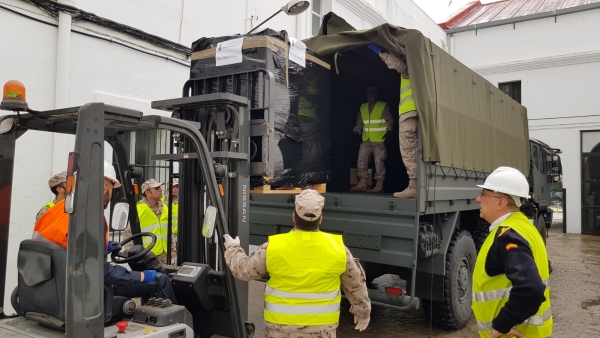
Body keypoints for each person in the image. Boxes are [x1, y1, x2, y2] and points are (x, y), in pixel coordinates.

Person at [223, 189, 371, 337]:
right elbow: (356, 285)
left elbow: (244, 270)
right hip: (321, 332)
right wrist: (363, 311)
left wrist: (232, 247)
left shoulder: (274, 247)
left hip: (280, 332)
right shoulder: (339, 249)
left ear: (294, 217)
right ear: (320, 219)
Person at [33, 160, 177, 303]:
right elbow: (102, 272)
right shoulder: (90, 216)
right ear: (104, 186)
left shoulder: (59, 211)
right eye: (112, 187)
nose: (112, 193)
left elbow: (70, 249)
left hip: (56, 288)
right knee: (160, 280)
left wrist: (102, 248)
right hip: (86, 292)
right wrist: (142, 276)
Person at [473, 166, 552, 338]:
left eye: (484, 194)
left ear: (500, 202)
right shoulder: (524, 227)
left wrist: (502, 324)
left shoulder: (508, 236)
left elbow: (531, 288)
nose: (478, 199)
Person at [367, 43, 418, 198]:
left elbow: (398, 65)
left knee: (408, 148)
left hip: (409, 112)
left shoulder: (412, 66)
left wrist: (381, 53)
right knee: (411, 148)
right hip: (411, 112)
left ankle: (414, 186)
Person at [351, 87, 393, 193]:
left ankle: (379, 184)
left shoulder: (382, 106)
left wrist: (389, 132)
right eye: (368, 94)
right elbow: (359, 122)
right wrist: (356, 131)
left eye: (372, 94)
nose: (370, 96)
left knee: (379, 162)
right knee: (361, 160)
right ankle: (362, 183)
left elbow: (389, 120)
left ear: (376, 95)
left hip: (379, 139)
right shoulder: (363, 107)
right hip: (366, 139)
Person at [137, 179, 171, 264]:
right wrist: (137, 257)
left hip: (166, 256)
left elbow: (168, 232)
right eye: (156, 188)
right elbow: (128, 235)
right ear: (147, 193)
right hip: (148, 257)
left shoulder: (165, 208)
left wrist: (173, 253)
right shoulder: (139, 209)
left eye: (160, 187)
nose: (161, 190)